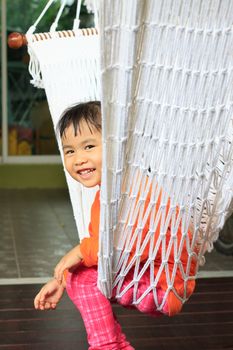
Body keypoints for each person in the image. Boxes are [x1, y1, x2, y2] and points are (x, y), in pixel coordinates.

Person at [34, 101, 196, 350]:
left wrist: (77, 253)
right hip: (145, 276)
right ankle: (115, 345)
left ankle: (106, 346)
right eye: (69, 151)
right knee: (79, 276)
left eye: (88, 146)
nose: (79, 159)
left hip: (162, 284)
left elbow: (123, 246)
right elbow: (98, 253)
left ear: (117, 147)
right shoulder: (107, 195)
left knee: (83, 278)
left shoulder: (133, 191)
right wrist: (62, 280)